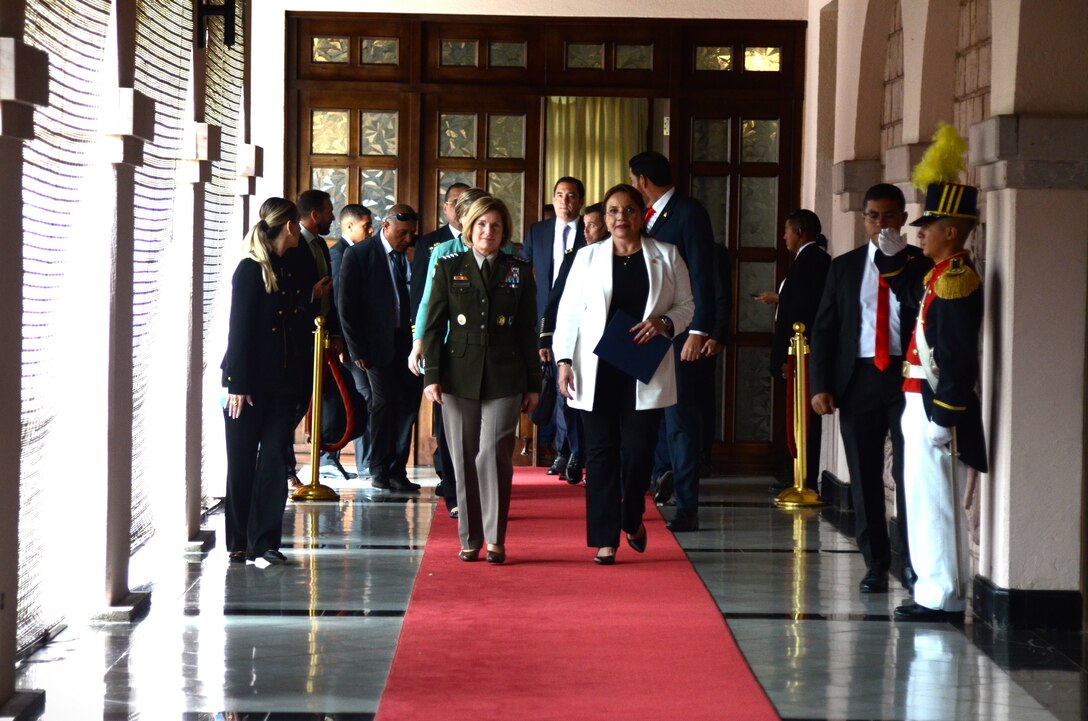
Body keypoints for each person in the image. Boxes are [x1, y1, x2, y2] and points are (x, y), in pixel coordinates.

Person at [554, 183, 695, 564]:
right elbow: (568, 313)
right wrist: (563, 361)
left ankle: (631, 517)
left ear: (641, 214)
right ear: (606, 217)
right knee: (599, 456)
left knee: (637, 454)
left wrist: (665, 322)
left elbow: (686, 306)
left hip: (642, 370)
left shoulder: (666, 255)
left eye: (628, 210)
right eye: (613, 211)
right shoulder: (587, 258)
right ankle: (605, 538)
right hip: (595, 369)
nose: (620, 218)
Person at [876, 175, 986, 622]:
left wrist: (945, 414)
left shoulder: (958, 278)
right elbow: (906, 291)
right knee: (920, 499)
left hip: (934, 403)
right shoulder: (939, 273)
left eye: (930, 226)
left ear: (952, 233)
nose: (920, 232)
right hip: (916, 398)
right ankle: (930, 587)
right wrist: (891, 258)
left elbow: (957, 357)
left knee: (936, 501)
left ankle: (942, 595)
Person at [810, 183, 920, 593]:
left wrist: (901, 267)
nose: (881, 223)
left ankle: (912, 563)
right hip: (857, 380)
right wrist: (820, 385)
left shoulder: (918, 264)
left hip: (905, 377)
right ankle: (875, 563)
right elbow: (825, 329)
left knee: (909, 473)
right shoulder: (845, 267)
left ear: (903, 219)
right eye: (873, 215)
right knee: (864, 473)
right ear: (863, 219)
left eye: (890, 215)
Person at [422, 196, 540, 564]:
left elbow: (527, 331)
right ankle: (470, 538)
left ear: (505, 232)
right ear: (470, 229)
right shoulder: (448, 265)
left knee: (494, 453)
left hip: (506, 372)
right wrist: (432, 376)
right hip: (459, 373)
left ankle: (495, 538)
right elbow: (433, 326)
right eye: (481, 225)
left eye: (496, 226)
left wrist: (534, 384)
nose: (488, 232)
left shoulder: (519, 269)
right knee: (462, 455)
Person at [221, 197, 311, 566]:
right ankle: (239, 541)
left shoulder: (288, 265)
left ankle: (265, 541)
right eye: (297, 227)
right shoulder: (249, 269)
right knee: (241, 463)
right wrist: (236, 384)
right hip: (247, 387)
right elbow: (238, 331)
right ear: (289, 226)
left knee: (274, 458)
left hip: (282, 385)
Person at [629, 151, 715, 532]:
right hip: (644, 336)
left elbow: (702, 273)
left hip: (678, 333)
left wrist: (698, 330)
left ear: (643, 180)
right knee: (645, 418)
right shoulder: (642, 218)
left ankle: (687, 506)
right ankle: (651, 486)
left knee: (680, 422)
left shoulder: (687, 213)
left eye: (634, 180)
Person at [407, 188, 492, 518]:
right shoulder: (443, 251)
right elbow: (428, 300)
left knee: (484, 430)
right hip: (448, 348)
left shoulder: (503, 251)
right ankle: (456, 493)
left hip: (488, 352)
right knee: (451, 427)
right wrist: (419, 342)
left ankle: (483, 491)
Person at [339, 204, 423, 493]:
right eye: (402, 233)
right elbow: (346, 307)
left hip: (411, 344)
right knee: (384, 403)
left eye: (412, 233)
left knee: (409, 406)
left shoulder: (414, 257)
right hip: (376, 346)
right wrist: (356, 349)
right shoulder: (360, 254)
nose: (407, 239)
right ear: (386, 227)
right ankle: (378, 468)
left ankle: (397, 470)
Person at [759, 209, 831, 493]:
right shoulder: (805, 261)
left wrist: (790, 358)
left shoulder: (813, 261)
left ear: (800, 231)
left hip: (802, 354)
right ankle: (799, 473)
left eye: (787, 231)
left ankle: (805, 478)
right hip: (797, 353)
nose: (784, 237)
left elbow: (803, 312)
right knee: (796, 416)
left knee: (804, 418)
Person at [520, 178, 587, 483]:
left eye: (570, 196)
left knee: (575, 386)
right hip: (545, 317)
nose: (564, 201)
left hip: (583, 317)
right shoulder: (539, 231)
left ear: (580, 201)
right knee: (556, 387)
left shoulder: (590, 230)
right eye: (559, 195)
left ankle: (574, 451)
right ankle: (564, 450)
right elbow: (523, 271)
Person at [329, 204, 374, 480]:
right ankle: (361, 461)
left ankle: (364, 461)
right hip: (346, 344)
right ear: (349, 227)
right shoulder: (340, 254)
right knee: (357, 398)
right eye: (366, 225)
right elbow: (339, 303)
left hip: (355, 342)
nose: (371, 230)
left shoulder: (359, 252)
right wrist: (345, 345)